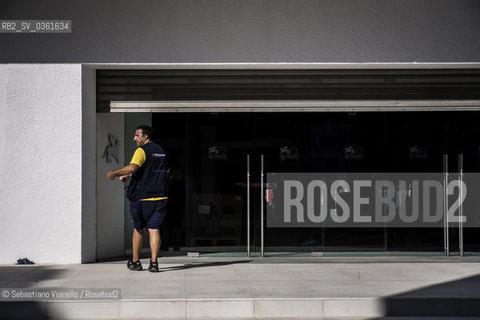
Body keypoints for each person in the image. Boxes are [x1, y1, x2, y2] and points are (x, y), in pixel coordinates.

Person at [107, 125, 167, 272]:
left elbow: (133, 167)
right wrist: (129, 177)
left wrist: (114, 173)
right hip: (160, 196)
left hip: (142, 198)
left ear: (145, 137)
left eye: (137, 136)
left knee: (138, 229)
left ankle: (135, 262)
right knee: (154, 229)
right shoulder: (161, 151)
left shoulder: (141, 150)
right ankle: (154, 263)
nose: (134, 138)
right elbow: (148, 171)